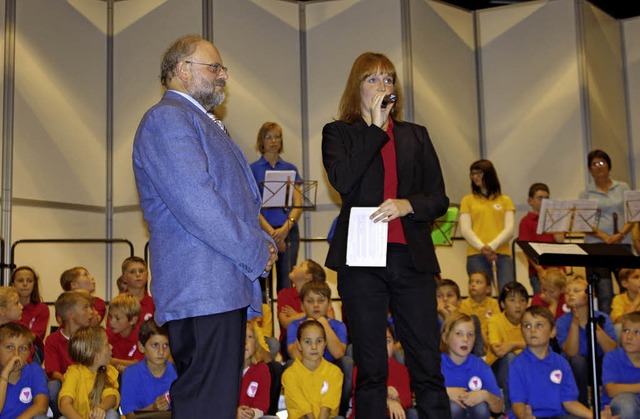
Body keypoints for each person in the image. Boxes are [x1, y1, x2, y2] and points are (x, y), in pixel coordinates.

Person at [132, 34, 277, 418]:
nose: (223, 76)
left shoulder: (198, 122)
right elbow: (200, 205)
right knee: (206, 406)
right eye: (214, 67)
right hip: (202, 289)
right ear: (183, 70)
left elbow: (230, 204)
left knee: (213, 405)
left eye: (222, 69)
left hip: (217, 289)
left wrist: (262, 238)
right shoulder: (167, 119)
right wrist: (256, 249)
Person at [321, 51, 450, 418]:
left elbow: (439, 198)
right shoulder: (339, 133)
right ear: (356, 88)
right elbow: (343, 182)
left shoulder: (416, 136)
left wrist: (408, 204)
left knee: (427, 361)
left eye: (388, 78)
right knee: (372, 366)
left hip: (411, 258)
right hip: (362, 261)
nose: (383, 86)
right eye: (372, 79)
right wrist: (375, 130)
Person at [509, 306, 597, 419]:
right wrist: (524, 415)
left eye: (539, 325)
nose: (532, 330)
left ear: (553, 331)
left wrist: (595, 416)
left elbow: (569, 402)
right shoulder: (517, 364)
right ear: (521, 331)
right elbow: (517, 403)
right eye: (527, 326)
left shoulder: (561, 363)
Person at [250, 122, 303, 294]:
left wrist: (285, 228)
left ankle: (285, 320)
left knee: (286, 284)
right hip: (263, 231)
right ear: (261, 141)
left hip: (288, 231)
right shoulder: (252, 169)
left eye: (277, 136)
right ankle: (264, 321)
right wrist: (272, 232)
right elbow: (252, 206)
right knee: (262, 285)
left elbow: (298, 203)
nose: (273, 141)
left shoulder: (290, 168)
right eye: (268, 137)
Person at [286, 281, 352, 416]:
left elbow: (339, 353)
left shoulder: (338, 326)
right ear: (302, 305)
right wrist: (308, 329)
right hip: (306, 369)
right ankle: (304, 412)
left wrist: (323, 325)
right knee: (289, 366)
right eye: (310, 301)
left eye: (321, 301)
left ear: (329, 304)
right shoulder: (295, 325)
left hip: (330, 370)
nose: (316, 305)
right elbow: (294, 354)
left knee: (346, 363)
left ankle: (342, 410)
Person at [580, 149, 633, 314]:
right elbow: (585, 223)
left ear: (609, 166)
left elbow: (632, 215)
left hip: (622, 243)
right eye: (594, 164)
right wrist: (605, 237)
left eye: (602, 163)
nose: (599, 167)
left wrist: (620, 235)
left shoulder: (623, 187)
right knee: (605, 293)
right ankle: (607, 331)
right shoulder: (586, 193)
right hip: (597, 246)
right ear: (590, 169)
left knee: (629, 289)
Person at [557, 276, 617, 406]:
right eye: (568, 292)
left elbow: (612, 350)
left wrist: (596, 328)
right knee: (577, 361)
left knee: (611, 359)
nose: (571, 294)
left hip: (599, 364)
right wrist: (575, 324)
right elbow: (572, 353)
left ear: (590, 294)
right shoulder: (562, 322)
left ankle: (604, 403)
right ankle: (581, 404)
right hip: (575, 368)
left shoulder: (603, 318)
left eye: (577, 290)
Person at [460, 160, 515, 293]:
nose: (475, 177)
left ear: (489, 174)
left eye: (478, 173)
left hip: (502, 254)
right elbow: (465, 229)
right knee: (481, 295)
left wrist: (492, 246)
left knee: (507, 293)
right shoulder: (467, 200)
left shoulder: (505, 200)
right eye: (472, 174)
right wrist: (482, 248)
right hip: (476, 254)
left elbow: (509, 229)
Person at [440, 313, 503, 419]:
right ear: (445, 337)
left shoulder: (480, 366)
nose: (465, 339)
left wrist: (485, 395)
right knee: (453, 407)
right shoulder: (436, 364)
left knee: (481, 407)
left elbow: (499, 408)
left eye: (470, 334)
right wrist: (445, 392)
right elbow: (421, 397)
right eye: (459, 333)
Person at [45, 291, 96, 418]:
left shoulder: (93, 337)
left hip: (89, 382)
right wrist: (67, 380)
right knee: (53, 386)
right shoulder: (53, 340)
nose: (91, 312)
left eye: (91, 307)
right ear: (70, 314)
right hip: (65, 384)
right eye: (85, 308)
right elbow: (52, 371)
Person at [350, 323, 416, 419]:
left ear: (394, 344)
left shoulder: (402, 370)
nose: (382, 347)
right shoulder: (361, 369)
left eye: (387, 341)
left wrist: (397, 399)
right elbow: (362, 400)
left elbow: (407, 400)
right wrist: (386, 399)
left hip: (392, 415)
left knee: (412, 414)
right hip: (367, 415)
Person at [282, 319, 343, 419]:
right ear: (299, 345)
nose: (314, 347)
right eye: (308, 342)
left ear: (325, 343)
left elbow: (326, 409)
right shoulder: (289, 375)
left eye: (319, 341)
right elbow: (304, 412)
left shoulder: (334, 372)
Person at [59, 326, 120, 419]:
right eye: (107, 344)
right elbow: (65, 404)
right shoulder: (74, 373)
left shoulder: (109, 371)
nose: (111, 347)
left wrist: (101, 408)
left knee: (111, 414)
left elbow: (111, 396)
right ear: (95, 354)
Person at [120, 319, 177, 417]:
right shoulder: (131, 374)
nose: (161, 351)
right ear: (141, 347)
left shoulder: (178, 372)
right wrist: (153, 408)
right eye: (155, 345)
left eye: (166, 345)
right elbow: (130, 416)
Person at [486, 281, 528, 414]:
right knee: (510, 358)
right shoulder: (495, 320)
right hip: (497, 370)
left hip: (523, 367)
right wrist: (523, 345)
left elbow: (540, 346)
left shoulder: (529, 321)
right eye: (512, 300)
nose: (518, 305)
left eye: (522, 300)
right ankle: (510, 411)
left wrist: (513, 344)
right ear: (503, 304)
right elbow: (498, 350)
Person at [517, 183, 565, 295]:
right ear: (530, 201)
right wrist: (539, 270)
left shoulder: (553, 218)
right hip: (540, 271)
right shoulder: (526, 221)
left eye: (547, 198)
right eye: (540, 198)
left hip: (558, 270)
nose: (544, 202)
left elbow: (560, 240)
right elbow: (527, 249)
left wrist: (552, 220)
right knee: (542, 301)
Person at [278, 259, 330, 360]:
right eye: (309, 301)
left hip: (320, 340)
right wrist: (310, 314)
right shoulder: (285, 294)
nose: (294, 267)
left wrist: (297, 315)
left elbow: (330, 316)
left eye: (301, 265)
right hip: (291, 341)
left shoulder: (321, 294)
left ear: (308, 276)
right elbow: (285, 322)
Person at [0, 323, 49, 419]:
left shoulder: (34, 371)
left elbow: (41, 406)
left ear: (29, 353)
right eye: (9, 347)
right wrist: (5, 374)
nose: (16, 354)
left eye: (23, 349)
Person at [602, 311, 640, 418]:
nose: (629, 337)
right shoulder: (612, 357)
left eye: (637, 332)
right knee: (626, 403)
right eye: (626, 331)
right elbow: (611, 390)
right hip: (617, 407)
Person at [10, 266, 50, 353]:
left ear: (34, 284)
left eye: (29, 281)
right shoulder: (6, 307)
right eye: (20, 280)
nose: (25, 284)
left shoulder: (42, 309)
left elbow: (35, 337)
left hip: (32, 349)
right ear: (13, 284)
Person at [459, 271, 500, 353]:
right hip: (471, 343)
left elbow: (496, 325)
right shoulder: (464, 304)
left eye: (478, 282)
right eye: (471, 282)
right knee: (473, 321)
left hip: (490, 342)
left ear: (488, 289)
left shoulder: (493, 303)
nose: (473, 285)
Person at [237, 322, 272, 419]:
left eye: (249, 337)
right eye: (240, 336)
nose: (245, 341)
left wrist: (252, 413)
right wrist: (233, 412)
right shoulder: (222, 371)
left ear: (256, 344)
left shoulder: (261, 370)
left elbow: (262, 405)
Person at [106, 293, 143, 373]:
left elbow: (138, 365)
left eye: (117, 318)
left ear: (133, 320)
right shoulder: (106, 335)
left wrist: (112, 361)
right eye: (110, 317)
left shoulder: (141, 337)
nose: (111, 322)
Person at [120, 256, 155, 324]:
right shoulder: (118, 304)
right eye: (132, 272)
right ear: (124, 278)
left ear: (147, 275)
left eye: (141, 271)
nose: (138, 274)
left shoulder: (154, 304)